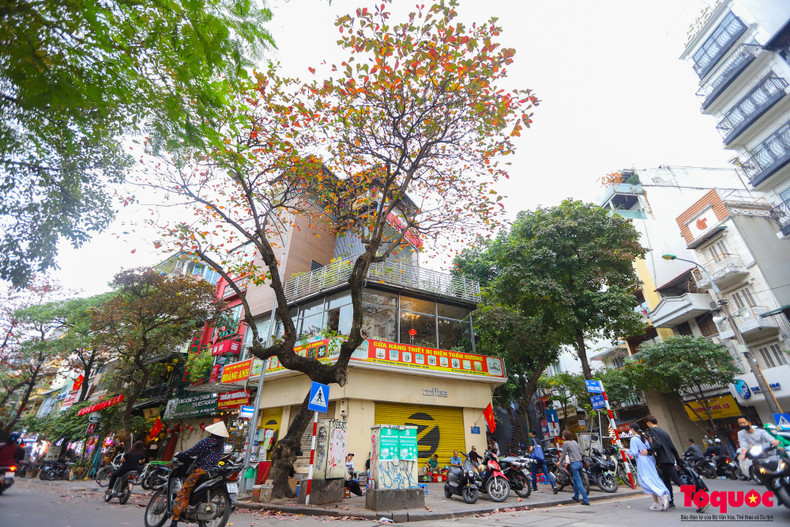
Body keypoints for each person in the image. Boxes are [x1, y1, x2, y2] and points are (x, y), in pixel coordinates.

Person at [168, 421, 228, 527]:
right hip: (212, 470)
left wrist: (180, 455)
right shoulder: (221, 445)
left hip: (200, 471)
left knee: (183, 493)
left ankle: (175, 520)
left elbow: (192, 451)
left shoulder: (208, 441)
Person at [629, 423, 670, 511]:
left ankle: (662, 494)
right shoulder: (644, 439)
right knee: (652, 478)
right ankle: (656, 502)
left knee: (646, 480)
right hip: (650, 460)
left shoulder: (633, 439)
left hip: (642, 461)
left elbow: (634, 452)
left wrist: (626, 450)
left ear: (632, 429)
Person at [645, 415, 683, 509]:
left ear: (649, 423)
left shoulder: (652, 431)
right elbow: (673, 448)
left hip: (663, 460)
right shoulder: (664, 432)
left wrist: (648, 451)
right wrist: (678, 462)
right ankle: (671, 502)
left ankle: (700, 500)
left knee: (678, 481)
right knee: (666, 481)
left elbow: (658, 444)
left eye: (647, 423)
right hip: (669, 459)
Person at [559, 430, 589, 506]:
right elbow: (581, 453)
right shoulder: (575, 442)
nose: (562, 437)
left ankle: (586, 500)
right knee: (575, 480)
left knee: (578, 482)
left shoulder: (566, 443)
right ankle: (576, 496)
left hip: (574, 464)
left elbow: (563, 454)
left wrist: (560, 462)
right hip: (580, 463)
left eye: (563, 435)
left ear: (565, 436)